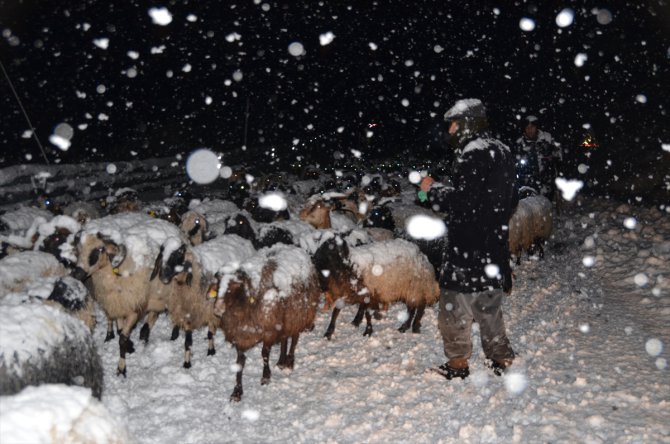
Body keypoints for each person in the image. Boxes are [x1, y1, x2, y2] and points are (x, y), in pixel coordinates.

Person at [419, 98, 518, 380]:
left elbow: (465, 201)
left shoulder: (473, 153)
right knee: (488, 304)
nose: (450, 130)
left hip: (467, 245)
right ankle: (501, 357)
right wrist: (492, 221)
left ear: (467, 124)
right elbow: (511, 202)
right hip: (493, 243)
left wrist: (433, 189)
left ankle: (458, 364)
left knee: (453, 308)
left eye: (454, 124)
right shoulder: (502, 151)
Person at [513, 115, 562, 199]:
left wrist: (551, 158)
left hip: (547, 181)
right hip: (528, 182)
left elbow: (558, 155)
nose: (529, 129)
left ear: (536, 127)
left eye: (532, 127)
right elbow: (516, 162)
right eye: (527, 127)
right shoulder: (520, 143)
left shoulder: (547, 139)